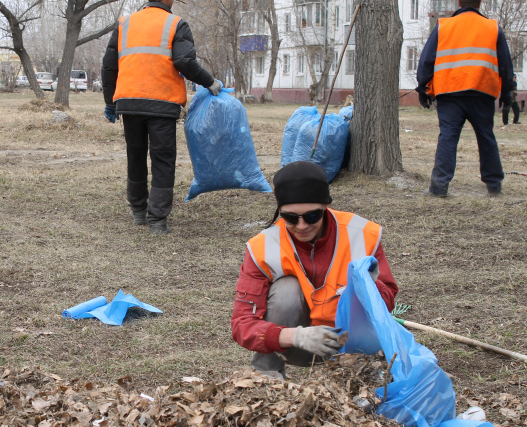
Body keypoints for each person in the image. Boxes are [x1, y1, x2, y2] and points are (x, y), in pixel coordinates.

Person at [231, 162, 398, 379]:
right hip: (297, 343)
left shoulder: (362, 234)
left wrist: (369, 285)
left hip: (352, 342)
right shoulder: (262, 247)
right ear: (279, 211)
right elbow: (242, 325)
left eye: (312, 216)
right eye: (290, 218)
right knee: (286, 290)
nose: (301, 226)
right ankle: (267, 381)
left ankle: (363, 376)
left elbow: (388, 301)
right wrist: (297, 336)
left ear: (326, 206)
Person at [101, 0, 222, 234]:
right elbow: (184, 61)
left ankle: (138, 212)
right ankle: (157, 220)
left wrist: (110, 101)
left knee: (135, 156)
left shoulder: (125, 23)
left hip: (130, 103)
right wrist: (210, 82)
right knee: (163, 161)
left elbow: (109, 65)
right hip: (162, 103)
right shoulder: (176, 24)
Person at [416, 0, 514, 197]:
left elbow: (427, 60)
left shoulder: (444, 26)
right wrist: (507, 93)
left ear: (459, 2)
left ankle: (439, 187)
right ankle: (494, 186)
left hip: (449, 91)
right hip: (482, 91)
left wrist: (423, 88)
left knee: (448, 137)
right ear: (479, 3)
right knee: (486, 137)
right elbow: (505, 64)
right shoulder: (492, 27)